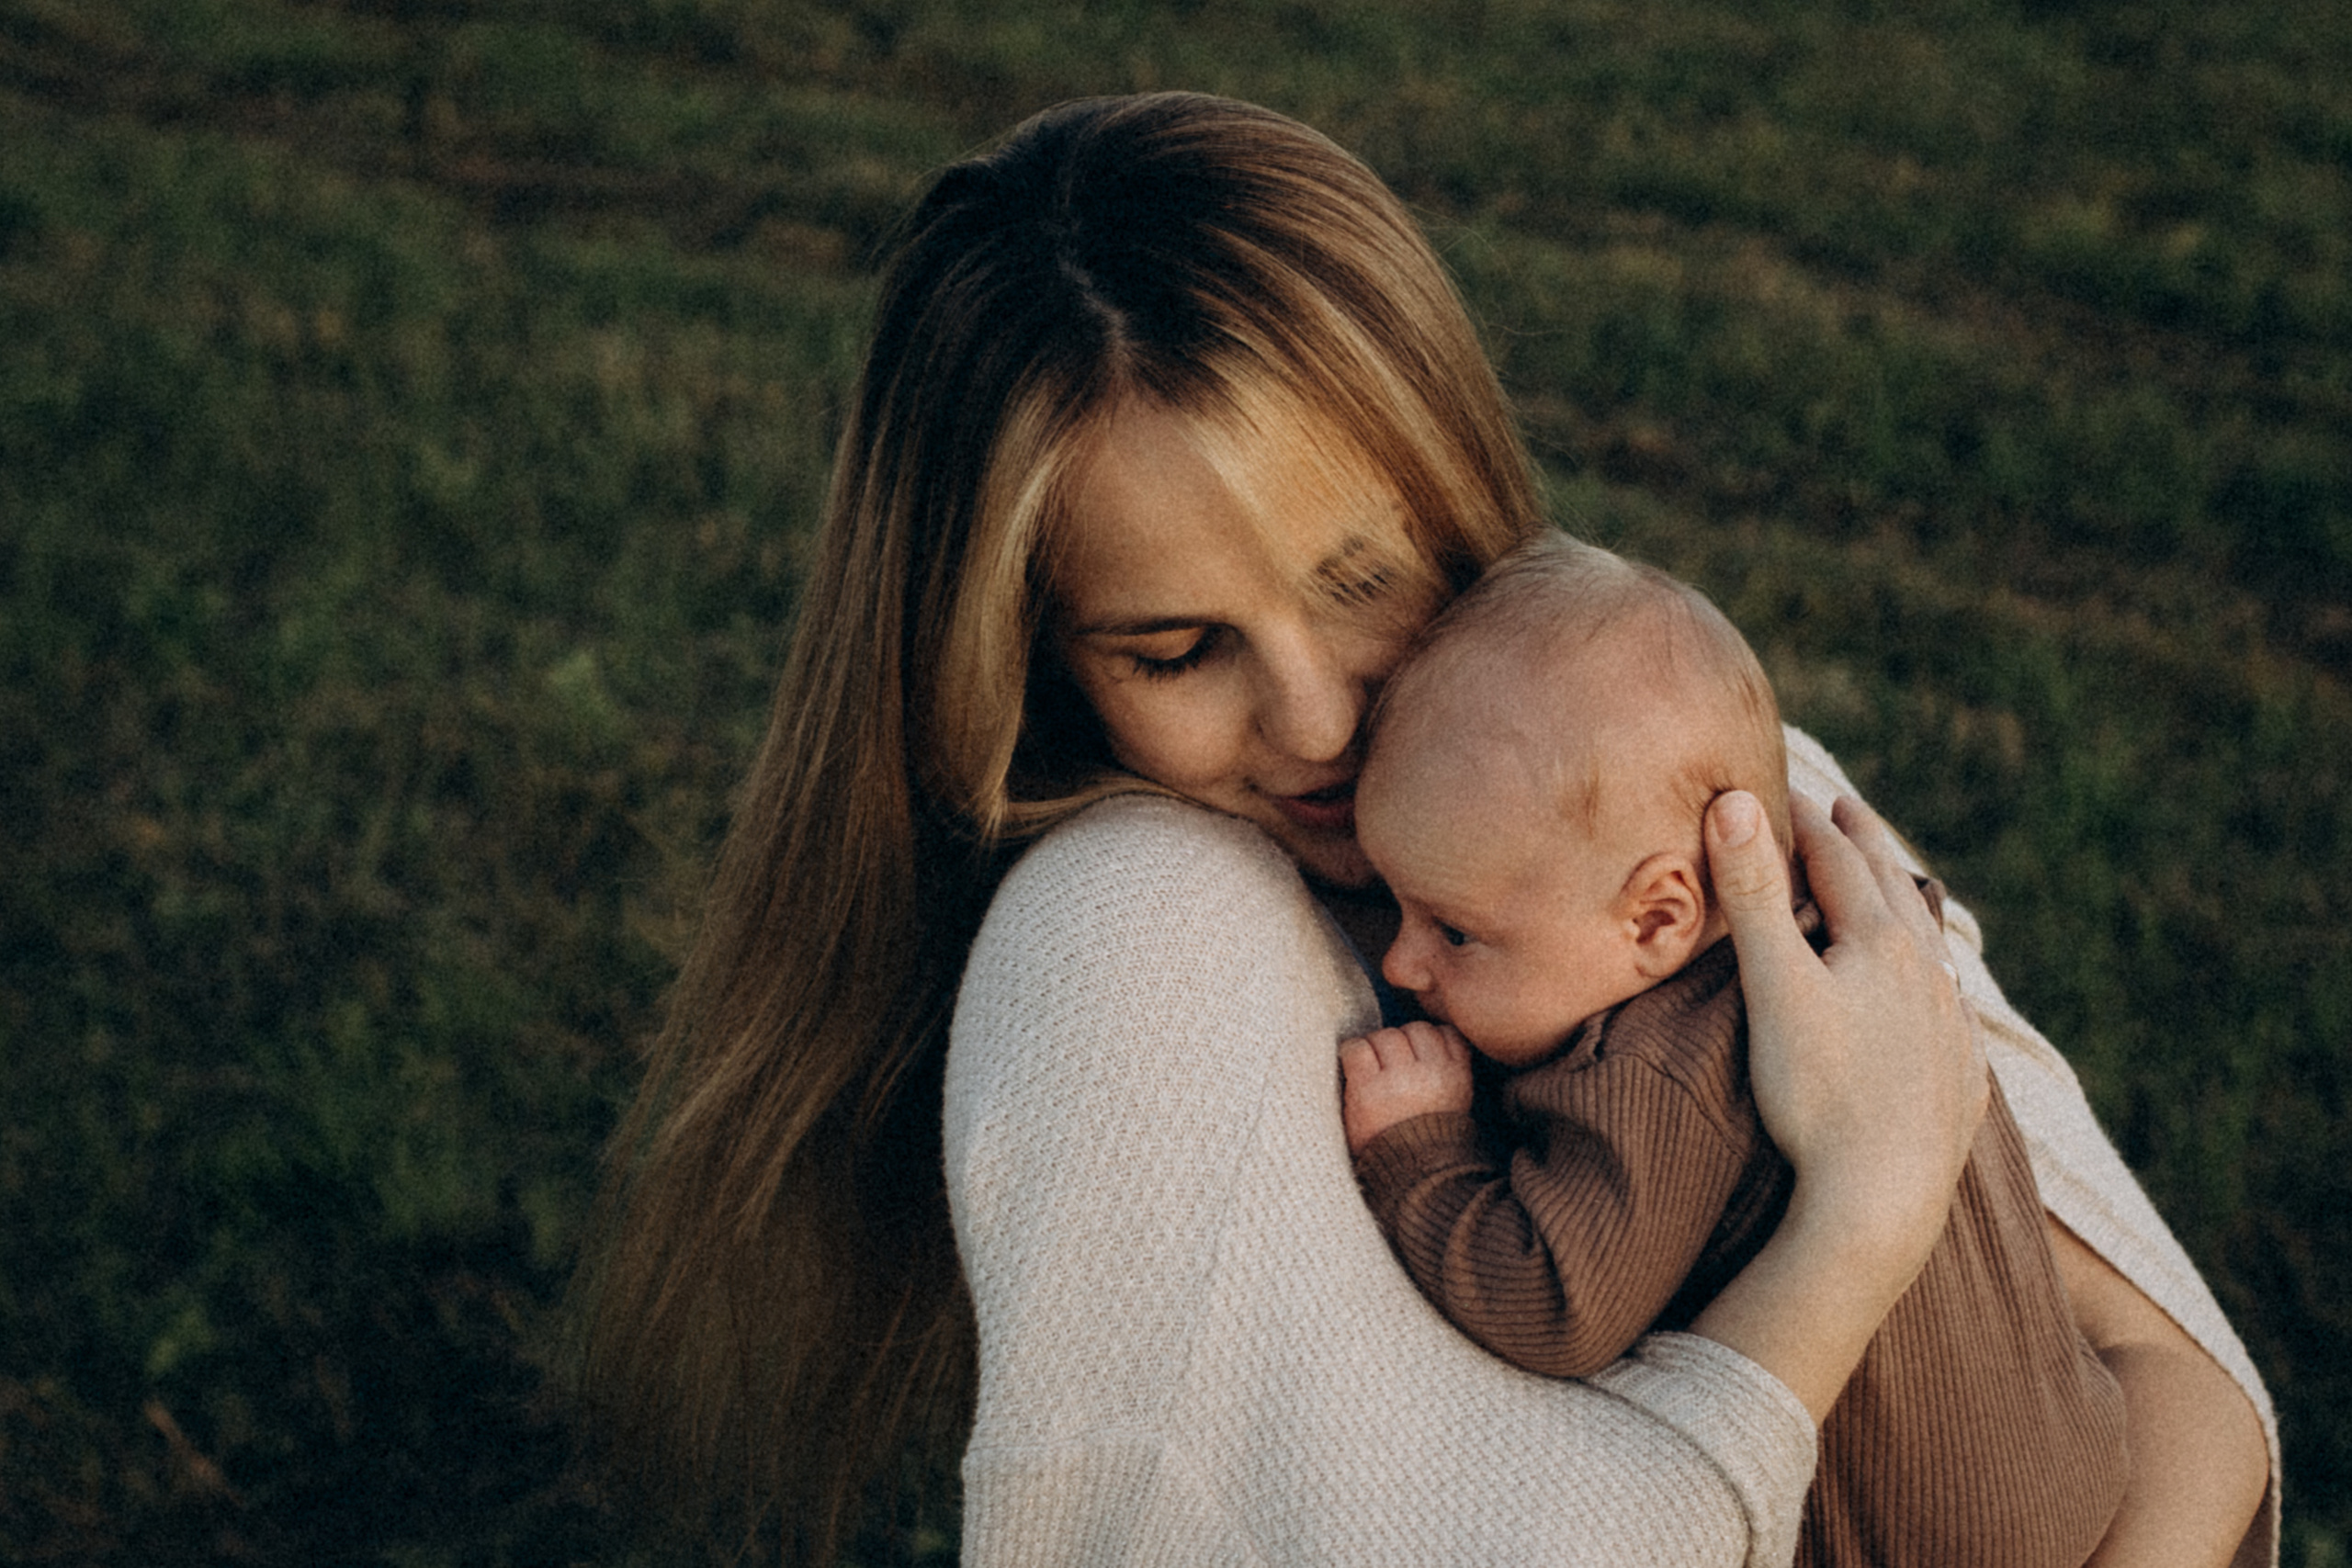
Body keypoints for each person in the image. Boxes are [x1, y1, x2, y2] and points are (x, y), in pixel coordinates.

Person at [573, 91, 2278, 1565]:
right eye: (1177, 650)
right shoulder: (1132, 948)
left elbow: (2184, 1392)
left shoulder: (1675, 787)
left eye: (1362, 575)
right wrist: (1865, 1215)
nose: (1319, 724)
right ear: (1012, 654)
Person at [1335, 535, 2148, 1565]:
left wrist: (1423, 1150)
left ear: (1656, 921)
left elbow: (1553, 1305)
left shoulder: (1650, 1073)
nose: (1403, 962)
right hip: (2079, 1453)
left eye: (1453, 931)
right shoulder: (1864, 940)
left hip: (1916, 1539)